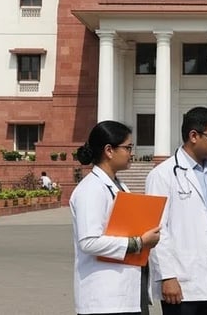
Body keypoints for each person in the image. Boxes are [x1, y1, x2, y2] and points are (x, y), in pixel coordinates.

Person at [146, 106, 207, 315]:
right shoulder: (163, 174)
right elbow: (157, 229)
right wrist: (167, 276)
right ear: (194, 136)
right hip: (181, 277)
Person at [71, 120, 160, 315]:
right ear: (109, 150)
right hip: (104, 298)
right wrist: (138, 242)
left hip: (126, 292)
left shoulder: (118, 185)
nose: (131, 153)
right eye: (128, 148)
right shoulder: (91, 189)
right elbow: (89, 241)